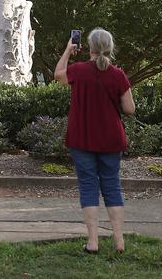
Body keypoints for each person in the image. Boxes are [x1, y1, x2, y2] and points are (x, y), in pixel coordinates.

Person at [55, 27, 136, 254]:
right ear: (110, 48)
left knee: (89, 187)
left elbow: (58, 75)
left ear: (88, 47)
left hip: (82, 138)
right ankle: (119, 241)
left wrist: (68, 51)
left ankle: (93, 242)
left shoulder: (79, 71)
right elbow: (130, 108)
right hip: (111, 139)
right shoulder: (118, 74)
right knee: (112, 186)